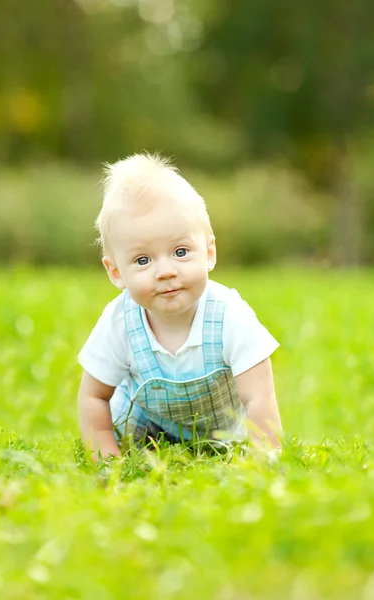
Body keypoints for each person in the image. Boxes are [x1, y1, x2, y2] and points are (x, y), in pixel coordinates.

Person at [78, 153, 282, 460]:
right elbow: (94, 396)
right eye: (143, 260)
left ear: (209, 251)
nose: (166, 271)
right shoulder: (120, 321)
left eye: (181, 251)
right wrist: (106, 458)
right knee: (131, 433)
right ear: (116, 272)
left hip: (221, 436)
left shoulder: (230, 315)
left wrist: (263, 460)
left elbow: (258, 396)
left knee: (226, 448)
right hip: (141, 434)